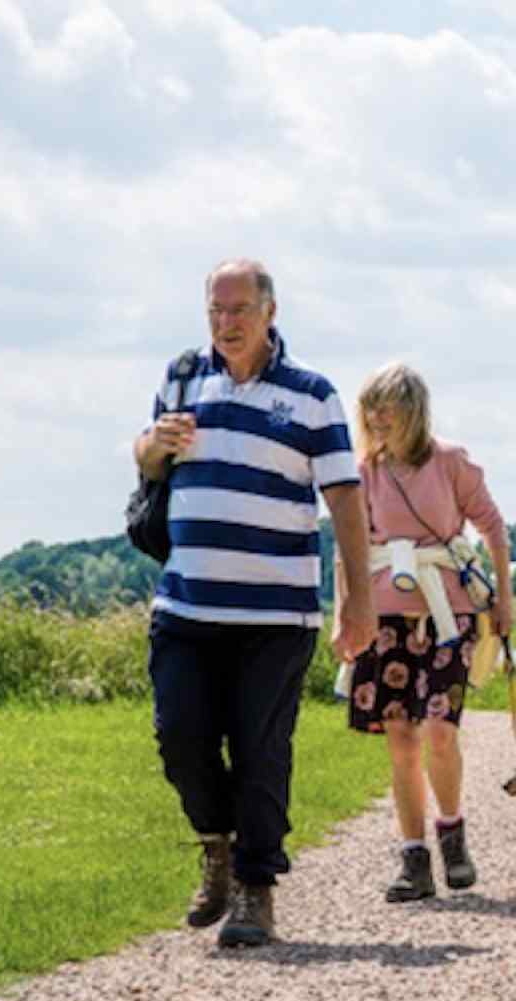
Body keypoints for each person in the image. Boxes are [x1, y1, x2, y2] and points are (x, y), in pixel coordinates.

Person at [135, 258, 375, 949]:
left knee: (260, 751)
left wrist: (356, 601)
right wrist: (154, 446)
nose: (226, 323)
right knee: (178, 738)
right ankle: (215, 845)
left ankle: (255, 888)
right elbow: (147, 461)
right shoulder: (183, 376)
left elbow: (345, 504)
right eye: (215, 310)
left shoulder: (312, 396)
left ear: (270, 311)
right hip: (185, 607)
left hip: (276, 616)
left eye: (239, 309)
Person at [336, 362, 513, 901]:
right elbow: (350, 547)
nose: (377, 417)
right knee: (401, 740)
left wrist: (505, 599)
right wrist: (345, 612)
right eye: (370, 407)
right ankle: (414, 858)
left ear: (413, 410)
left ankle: (452, 835)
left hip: (447, 616)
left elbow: (493, 527)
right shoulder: (362, 472)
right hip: (384, 617)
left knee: (439, 730)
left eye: (387, 406)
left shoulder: (451, 463)